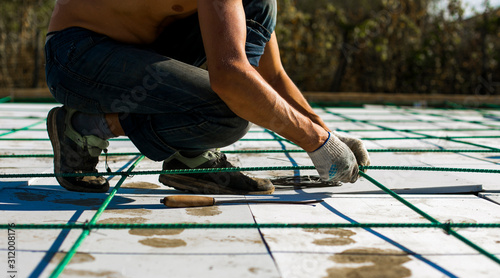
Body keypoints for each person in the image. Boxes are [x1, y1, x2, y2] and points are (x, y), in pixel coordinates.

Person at [44, 0, 370, 194]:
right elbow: (230, 78)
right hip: (77, 56)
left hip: (135, 51)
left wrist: (326, 135)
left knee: (257, 14)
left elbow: (270, 75)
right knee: (227, 112)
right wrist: (316, 142)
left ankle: (189, 158)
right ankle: (88, 126)